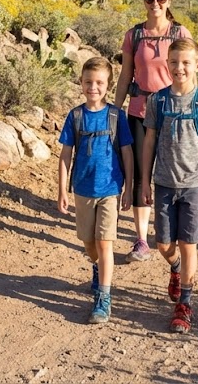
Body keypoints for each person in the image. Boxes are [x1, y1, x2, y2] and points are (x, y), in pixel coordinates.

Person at [141, 38, 198, 334]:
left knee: (188, 245)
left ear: (197, 65)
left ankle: (184, 304)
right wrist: (145, 182)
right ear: (167, 64)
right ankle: (175, 269)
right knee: (164, 245)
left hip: (194, 184)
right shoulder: (158, 100)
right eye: (174, 62)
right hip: (163, 182)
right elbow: (149, 141)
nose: (179, 68)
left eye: (186, 62)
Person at [113, 0, 192, 263]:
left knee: (169, 171)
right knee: (138, 173)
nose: (155, 3)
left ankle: (170, 232)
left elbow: (189, 72)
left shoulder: (180, 33)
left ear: (169, 1)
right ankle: (142, 240)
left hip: (171, 111)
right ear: (144, 1)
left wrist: (194, 105)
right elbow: (125, 75)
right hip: (138, 110)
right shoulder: (134, 35)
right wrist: (115, 108)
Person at [57, 57, 134, 324]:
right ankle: (97, 268)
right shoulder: (75, 116)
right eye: (88, 82)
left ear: (109, 85)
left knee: (104, 243)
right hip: (82, 189)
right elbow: (66, 155)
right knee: (88, 244)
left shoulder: (116, 116)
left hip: (110, 189)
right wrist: (62, 190)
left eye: (99, 82)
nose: (93, 87)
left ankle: (103, 297)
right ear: (81, 83)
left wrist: (129, 188)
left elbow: (127, 152)